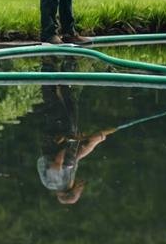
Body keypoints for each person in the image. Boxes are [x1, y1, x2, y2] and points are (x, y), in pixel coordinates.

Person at [36, 56, 114, 204]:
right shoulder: (67, 180)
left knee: (54, 101)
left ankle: (48, 64)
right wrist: (94, 141)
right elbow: (75, 158)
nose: (81, 187)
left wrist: (68, 142)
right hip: (67, 133)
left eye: (79, 191)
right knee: (68, 100)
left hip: (57, 134)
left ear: (71, 192)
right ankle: (68, 64)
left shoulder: (56, 183)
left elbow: (57, 163)